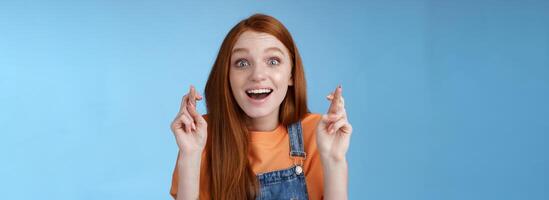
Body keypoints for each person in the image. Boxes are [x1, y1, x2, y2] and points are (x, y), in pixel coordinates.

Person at [169, 13, 352, 200]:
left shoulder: (316, 133)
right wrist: (190, 155)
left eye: (273, 61)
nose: (257, 75)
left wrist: (334, 160)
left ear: (291, 74)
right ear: (227, 75)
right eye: (242, 63)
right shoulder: (202, 136)